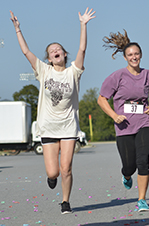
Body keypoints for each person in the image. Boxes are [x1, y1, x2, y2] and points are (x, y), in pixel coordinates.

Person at [10, 8, 96, 214]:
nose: (55, 51)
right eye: (51, 50)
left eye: (58, 49)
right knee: (54, 171)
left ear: (64, 54)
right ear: (49, 58)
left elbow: (82, 50)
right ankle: (51, 177)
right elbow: (26, 52)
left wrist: (83, 25)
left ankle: (66, 201)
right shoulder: (43, 70)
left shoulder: (73, 72)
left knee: (66, 168)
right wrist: (17, 30)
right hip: (48, 127)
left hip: (68, 127)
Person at [97, 30, 149, 212]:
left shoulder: (148, 75)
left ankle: (142, 199)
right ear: (125, 57)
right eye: (130, 55)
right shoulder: (118, 76)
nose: (134, 57)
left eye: (136, 54)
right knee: (129, 166)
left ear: (141, 55)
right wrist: (114, 115)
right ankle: (126, 175)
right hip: (124, 126)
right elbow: (102, 99)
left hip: (145, 122)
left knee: (143, 161)